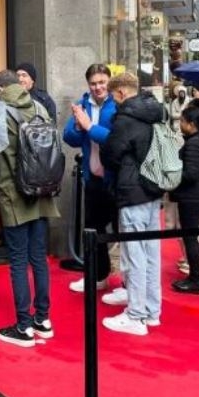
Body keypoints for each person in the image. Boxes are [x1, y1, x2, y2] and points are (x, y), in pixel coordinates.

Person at [0, 70, 60, 348]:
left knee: (18, 262)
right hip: (42, 192)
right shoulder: (38, 105)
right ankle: (42, 319)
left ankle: (23, 326)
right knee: (39, 258)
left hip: (14, 194)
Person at [99, 72, 166, 335]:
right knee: (150, 253)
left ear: (120, 93)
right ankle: (151, 311)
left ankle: (135, 315)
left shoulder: (126, 119)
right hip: (152, 190)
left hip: (132, 190)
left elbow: (110, 154)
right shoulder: (155, 113)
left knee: (135, 253)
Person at [62, 63, 118, 293]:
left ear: (109, 82)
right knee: (93, 230)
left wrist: (90, 127)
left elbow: (116, 139)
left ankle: (126, 283)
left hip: (115, 179)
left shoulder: (118, 105)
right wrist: (78, 126)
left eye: (102, 82)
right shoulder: (83, 103)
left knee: (121, 230)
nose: (98, 87)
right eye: (93, 83)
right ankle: (97, 277)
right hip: (93, 178)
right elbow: (69, 137)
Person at [170, 104, 199, 294]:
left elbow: (192, 173)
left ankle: (195, 278)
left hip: (192, 196)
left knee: (190, 238)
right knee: (191, 237)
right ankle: (194, 276)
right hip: (198, 195)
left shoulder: (194, 143)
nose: (180, 124)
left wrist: (174, 174)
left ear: (191, 124)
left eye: (182, 121)